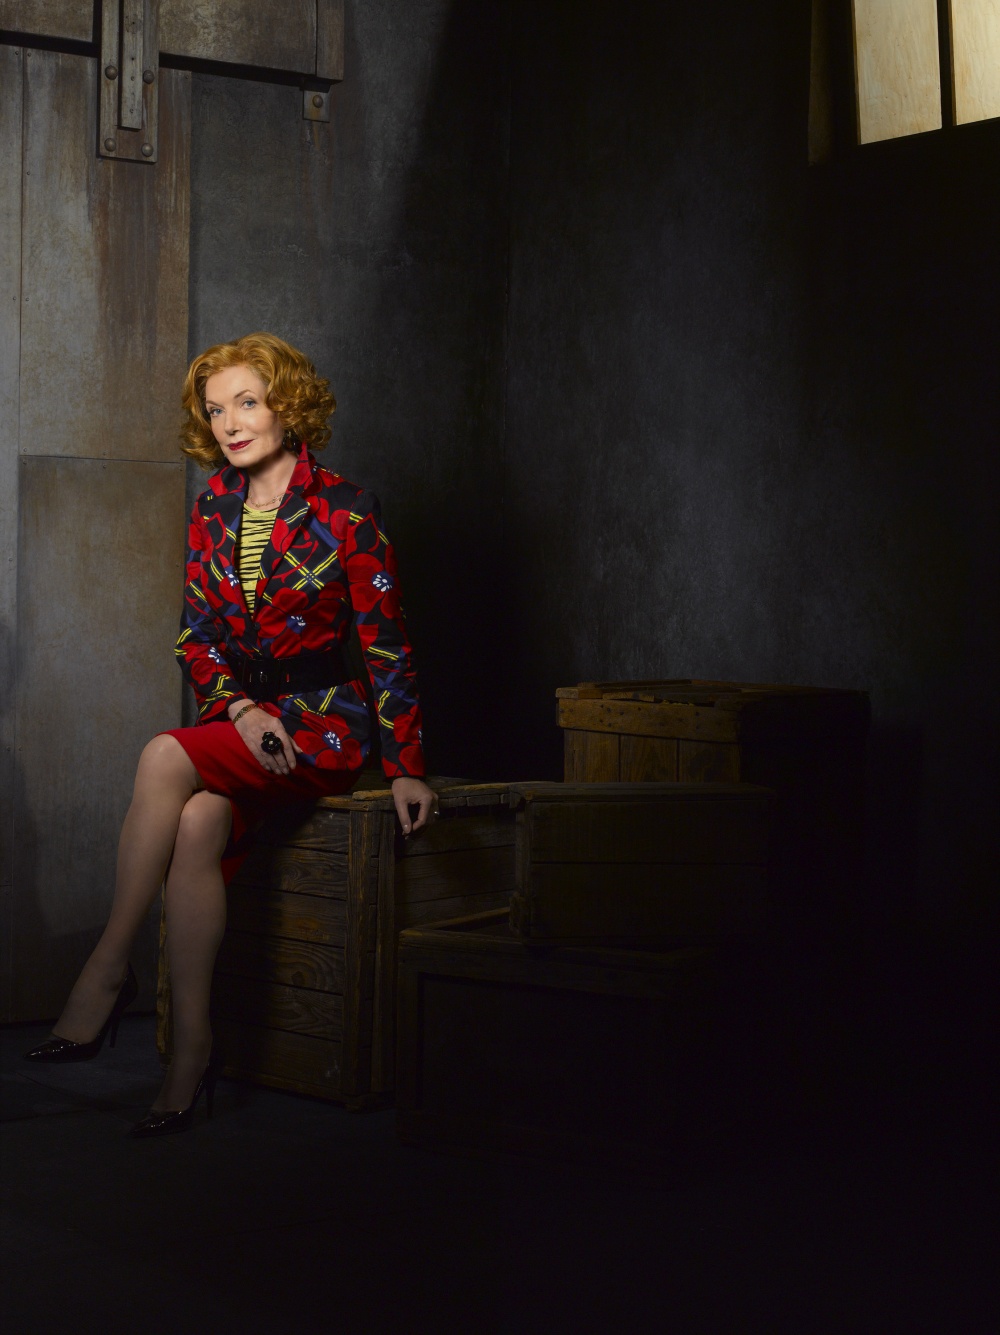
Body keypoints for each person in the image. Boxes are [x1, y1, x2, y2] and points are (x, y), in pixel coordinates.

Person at [25, 332, 436, 1135]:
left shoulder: (347, 508)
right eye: (216, 410)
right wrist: (241, 708)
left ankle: (107, 965)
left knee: (162, 754)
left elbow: (387, 645)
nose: (230, 423)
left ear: (289, 403)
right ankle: (191, 1053)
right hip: (245, 721)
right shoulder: (213, 505)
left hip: (323, 726)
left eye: (247, 402)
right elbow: (196, 636)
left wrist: (407, 766)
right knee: (197, 820)